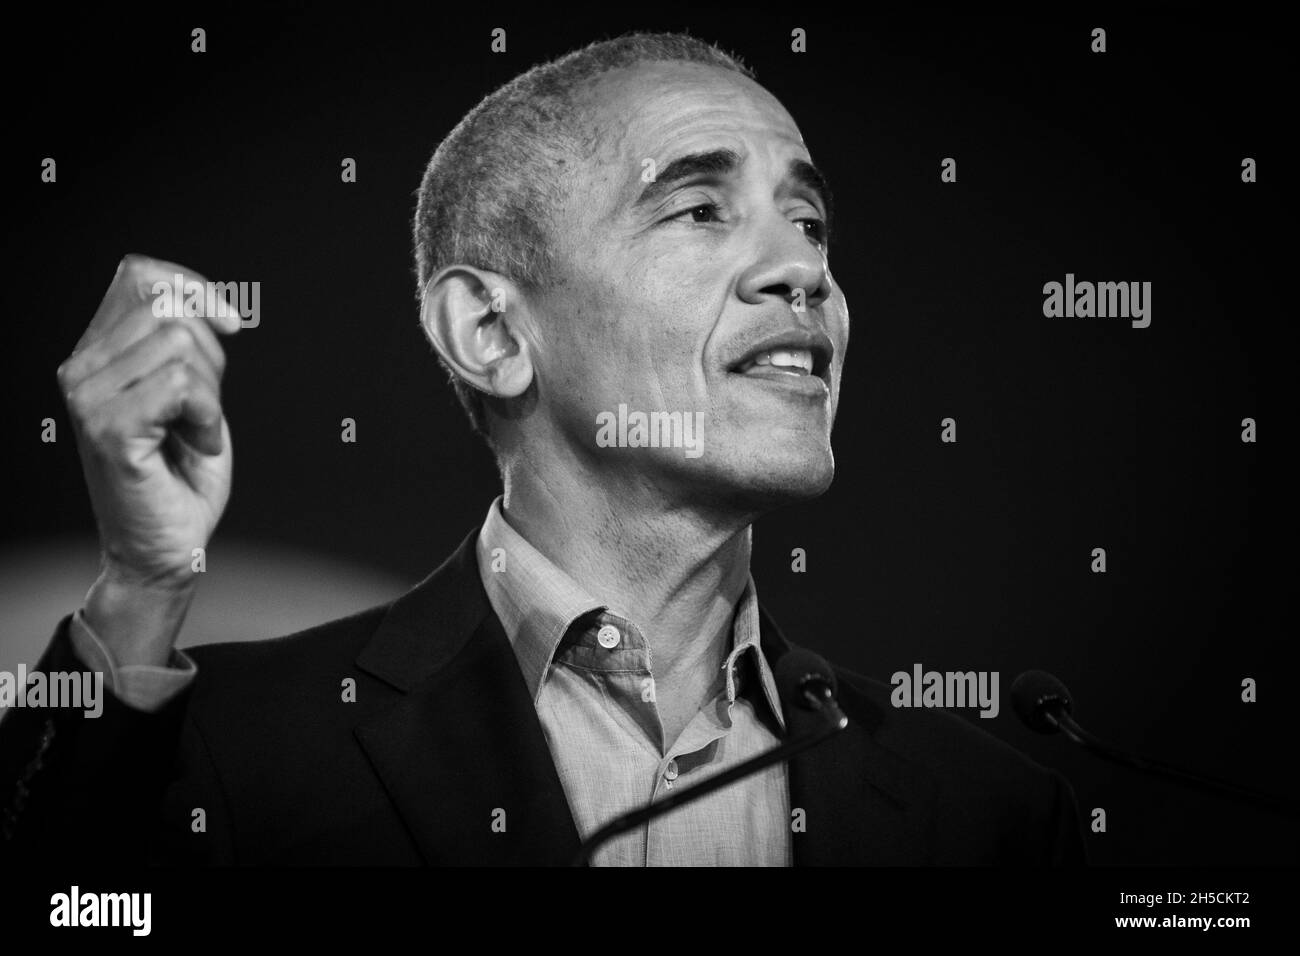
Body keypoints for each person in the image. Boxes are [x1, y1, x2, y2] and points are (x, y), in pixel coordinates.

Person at [0, 32, 1085, 866]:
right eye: (702, 209)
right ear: (492, 331)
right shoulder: (244, 747)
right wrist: (144, 579)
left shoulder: (981, 806)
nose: (801, 270)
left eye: (808, 224)